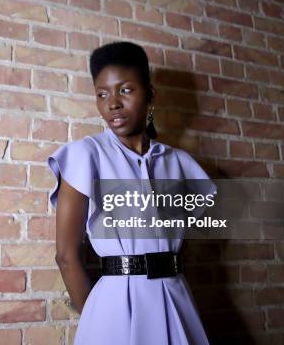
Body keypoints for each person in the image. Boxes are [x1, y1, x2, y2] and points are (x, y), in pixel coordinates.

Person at [47, 41, 216, 344]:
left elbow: (185, 244)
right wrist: (96, 318)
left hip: (175, 298)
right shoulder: (85, 156)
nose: (112, 103)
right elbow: (66, 255)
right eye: (102, 94)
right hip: (113, 307)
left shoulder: (180, 164)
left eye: (125, 90)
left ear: (150, 95)